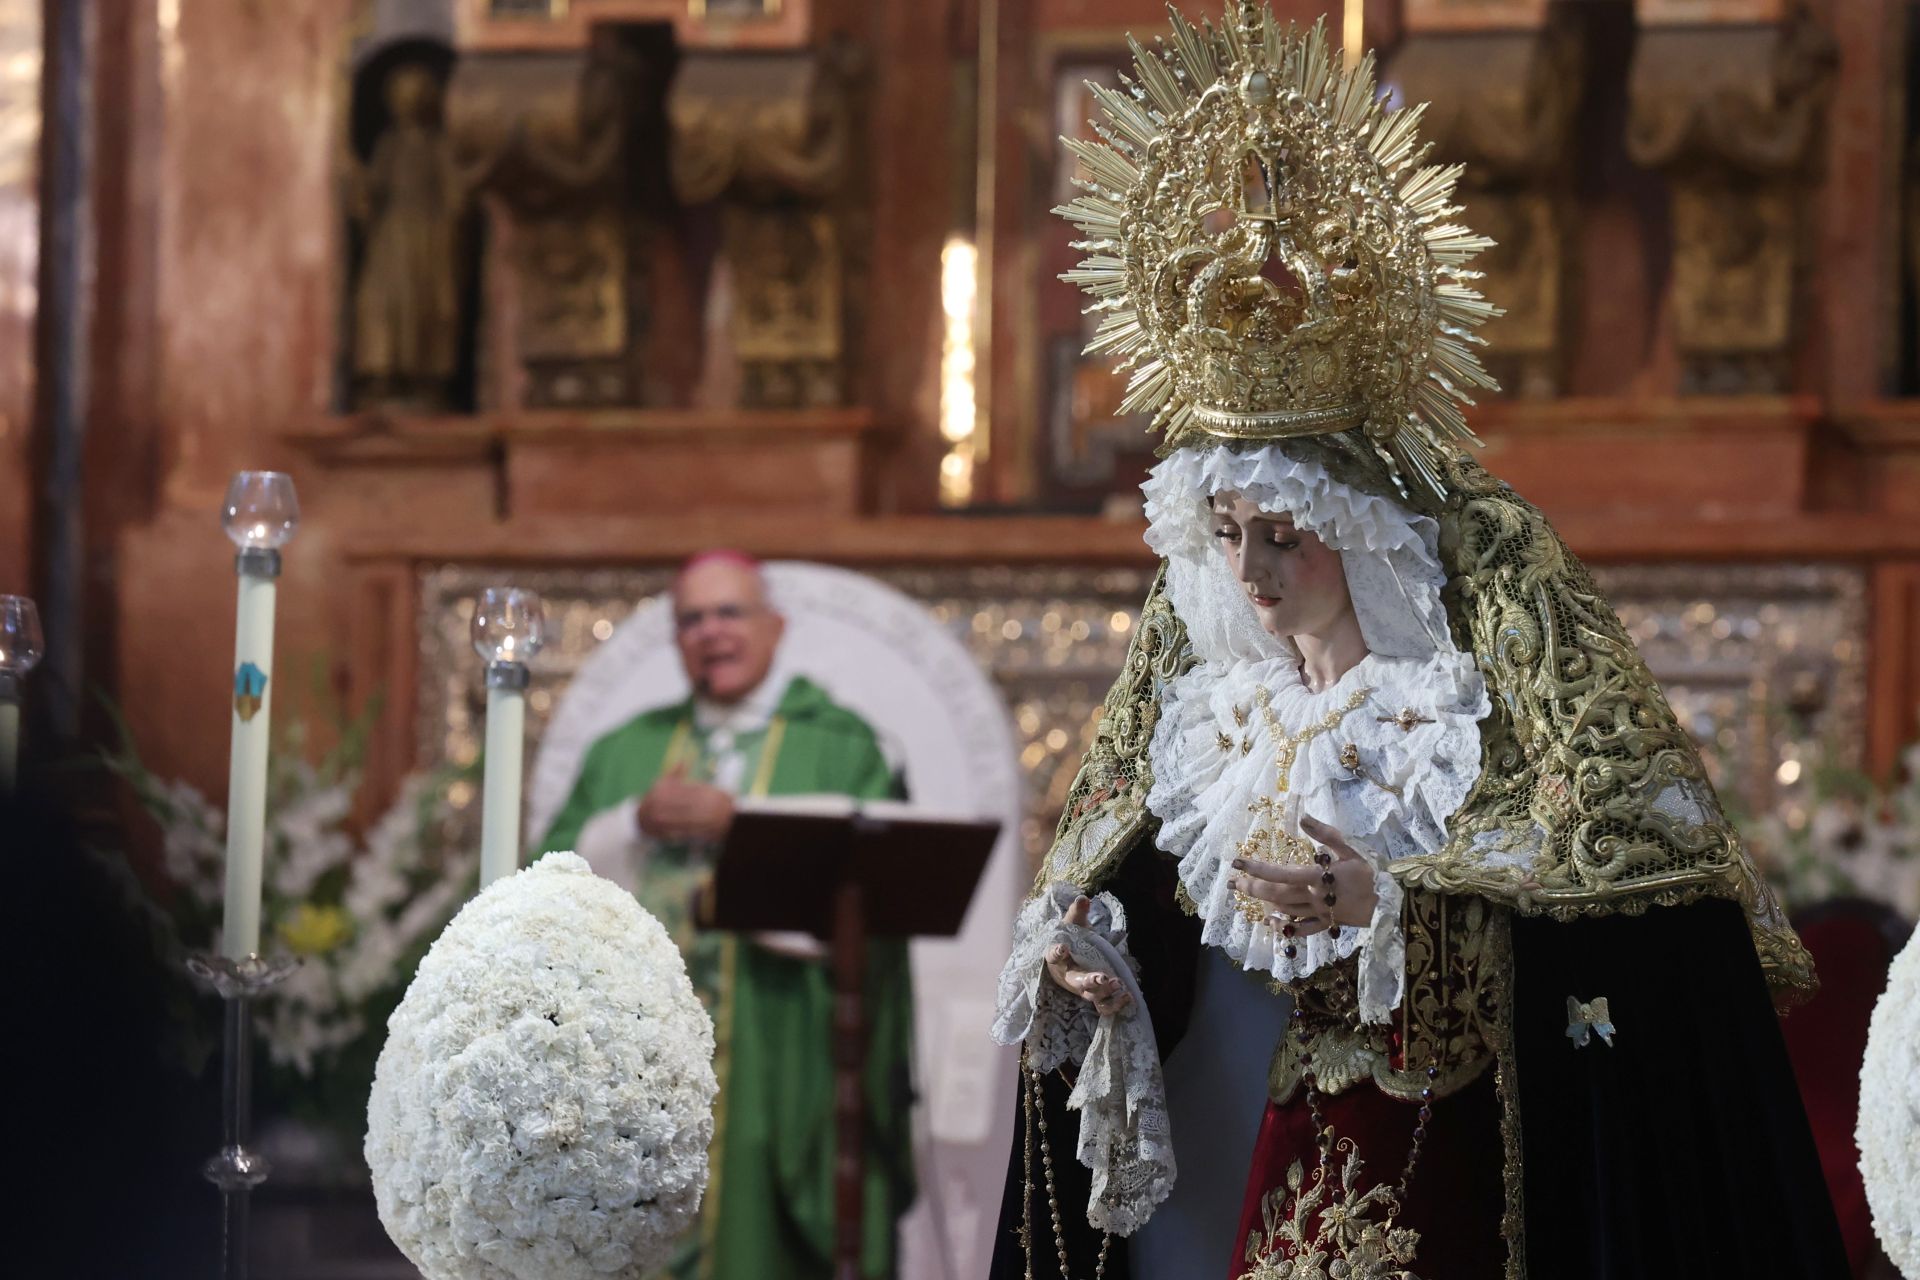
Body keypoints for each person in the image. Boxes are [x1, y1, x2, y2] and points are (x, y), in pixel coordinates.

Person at [990, 7, 1848, 1278]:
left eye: (1285, 533)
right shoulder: (1211, 698)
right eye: (1226, 534)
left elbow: (1620, 918)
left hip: (1465, 1179)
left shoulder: (1480, 654)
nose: (1252, 572)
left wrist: (1396, 904)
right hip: (1267, 1159)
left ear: (1362, 529)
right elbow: (1149, 888)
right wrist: (1101, 961)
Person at [540, 550, 915, 1280]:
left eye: (728, 613)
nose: (710, 632)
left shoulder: (838, 743)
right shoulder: (628, 750)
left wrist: (743, 826)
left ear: (775, 627)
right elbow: (541, 885)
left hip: (779, 1051)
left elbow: (881, 893)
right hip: (635, 1067)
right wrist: (631, 823)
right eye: (691, 619)